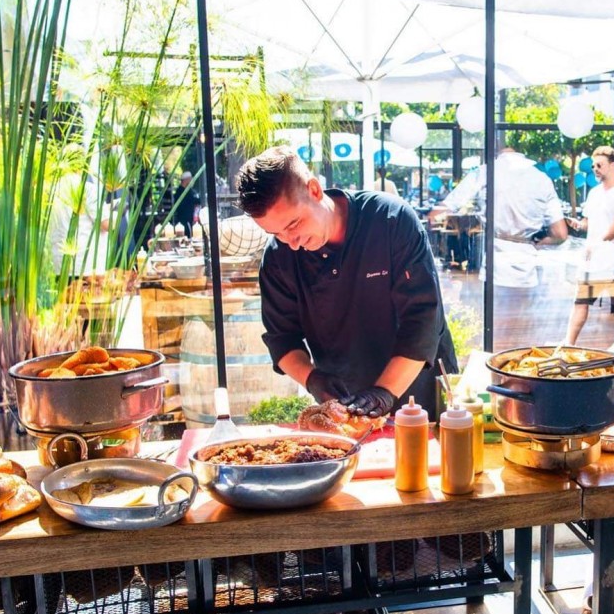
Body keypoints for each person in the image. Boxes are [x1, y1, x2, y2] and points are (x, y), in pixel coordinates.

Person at [237, 146, 457, 419]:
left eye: (293, 224)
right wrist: (312, 379)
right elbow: (282, 338)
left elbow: (423, 318)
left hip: (420, 393)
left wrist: (383, 392)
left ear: (314, 190)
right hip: (348, 402)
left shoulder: (391, 220)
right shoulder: (278, 259)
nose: (291, 242)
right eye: (276, 233)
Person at [433, 147, 568, 287]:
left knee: (492, 300)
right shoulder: (542, 179)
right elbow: (560, 234)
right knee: (522, 300)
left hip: (495, 266)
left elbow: (445, 208)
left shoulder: (485, 172)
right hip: (527, 267)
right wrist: (536, 244)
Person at [564, 147, 614, 356]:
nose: (595, 169)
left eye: (599, 165)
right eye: (594, 165)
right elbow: (588, 222)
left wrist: (599, 242)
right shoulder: (594, 193)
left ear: (612, 165)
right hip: (593, 260)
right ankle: (569, 343)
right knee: (581, 300)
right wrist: (579, 225)